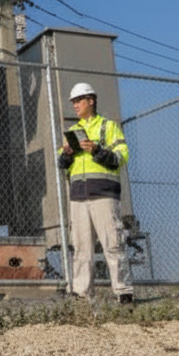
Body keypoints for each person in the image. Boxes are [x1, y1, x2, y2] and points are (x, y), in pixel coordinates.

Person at [58, 81, 134, 304]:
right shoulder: (72, 132)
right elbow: (61, 164)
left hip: (104, 194)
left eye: (78, 101)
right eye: (73, 102)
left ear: (90, 101)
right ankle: (82, 295)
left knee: (113, 243)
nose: (75, 105)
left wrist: (97, 150)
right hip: (78, 196)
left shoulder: (108, 127)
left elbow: (121, 157)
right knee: (81, 248)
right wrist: (67, 154)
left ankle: (123, 292)